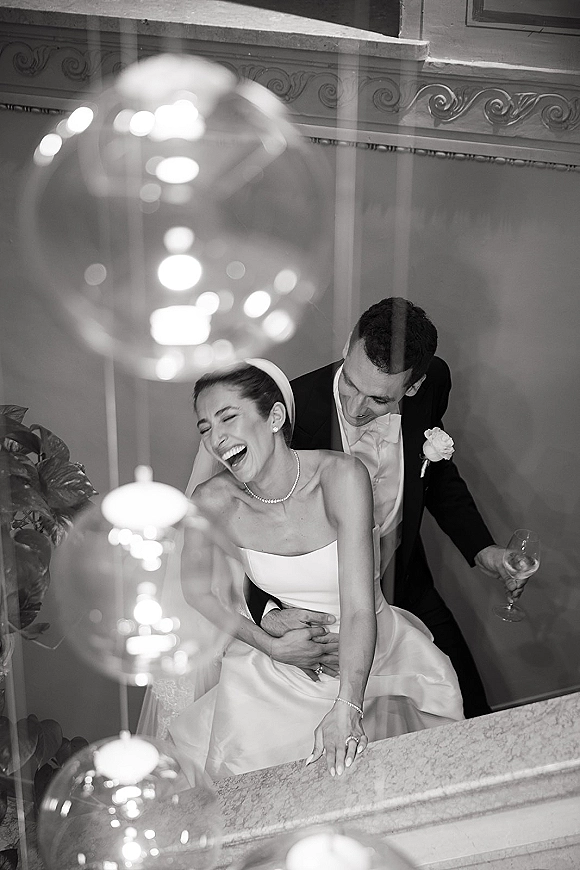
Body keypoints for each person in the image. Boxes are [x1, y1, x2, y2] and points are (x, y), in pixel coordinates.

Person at [160, 359, 464, 781]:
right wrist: (270, 644)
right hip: (288, 665)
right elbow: (196, 591)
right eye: (206, 428)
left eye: (228, 417)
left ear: (275, 417)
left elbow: (358, 609)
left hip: (372, 658)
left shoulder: (341, 477)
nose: (216, 438)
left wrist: (348, 705)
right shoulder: (210, 502)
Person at [250, 298, 522, 719]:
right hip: (326, 614)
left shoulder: (433, 386)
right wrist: (265, 613)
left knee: (466, 709)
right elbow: (248, 518)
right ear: (347, 346)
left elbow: (436, 478)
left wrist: (482, 549)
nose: (357, 409)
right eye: (350, 386)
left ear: (413, 387)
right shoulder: (289, 413)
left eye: (378, 399)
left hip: (405, 580)